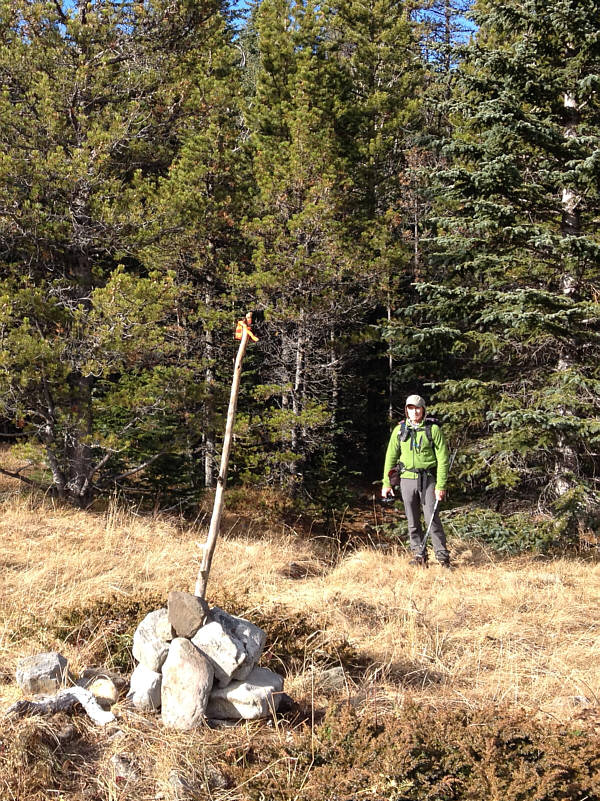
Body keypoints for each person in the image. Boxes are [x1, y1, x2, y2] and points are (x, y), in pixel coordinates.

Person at [381, 395, 451, 567]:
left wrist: (441, 485)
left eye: (418, 408)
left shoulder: (433, 429)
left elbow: (443, 459)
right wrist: (386, 483)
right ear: (407, 410)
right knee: (412, 522)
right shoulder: (399, 430)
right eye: (411, 408)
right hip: (406, 479)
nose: (414, 411)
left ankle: (443, 558)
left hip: (427, 479)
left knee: (432, 519)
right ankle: (419, 556)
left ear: (423, 409)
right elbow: (390, 457)